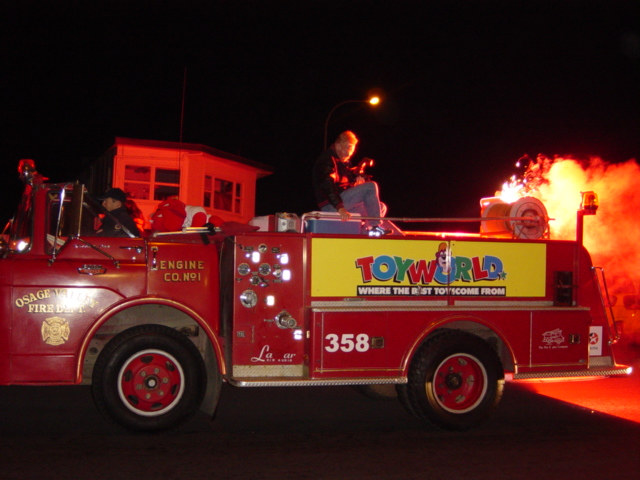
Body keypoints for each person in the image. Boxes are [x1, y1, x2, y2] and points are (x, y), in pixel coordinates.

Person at [312, 130, 387, 235]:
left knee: (381, 207)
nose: (349, 154)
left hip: (343, 203)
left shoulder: (343, 163)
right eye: (348, 148)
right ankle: (375, 226)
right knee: (371, 186)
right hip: (332, 206)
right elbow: (328, 186)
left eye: (352, 150)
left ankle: (366, 231)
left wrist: (355, 185)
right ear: (338, 145)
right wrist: (340, 207)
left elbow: (344, 185)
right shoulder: (326, 161)